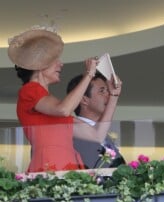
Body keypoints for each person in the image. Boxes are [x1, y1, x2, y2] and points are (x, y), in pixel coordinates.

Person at [7, 26, 116, 172]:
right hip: (49, 165)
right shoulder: (30, 90)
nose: (61, 64)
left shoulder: (52, 103)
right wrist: (89, 74)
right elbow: (64, 110)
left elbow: (97, 135)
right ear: (39, 63)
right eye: (55, 60)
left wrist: (114, 95)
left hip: (68, 165)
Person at [66, 72, 125, 168]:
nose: (109, 95)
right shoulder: (73, 132)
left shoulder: (105, 134)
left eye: (108, 90)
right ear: (84, 100)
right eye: (102, 91)